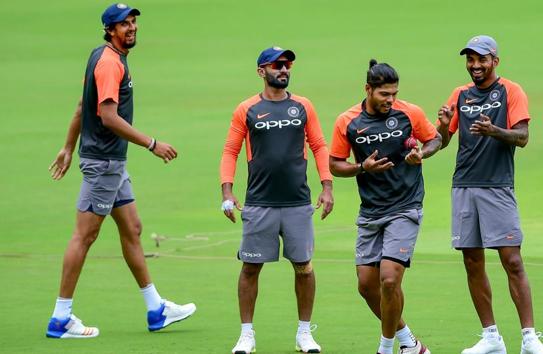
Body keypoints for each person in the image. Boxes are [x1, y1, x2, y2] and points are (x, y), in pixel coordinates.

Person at [46, 3, 196, 339]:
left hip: (111, 163)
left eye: (133, 22)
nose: (131, 28)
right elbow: (107, 117)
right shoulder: (110, 64)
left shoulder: (103, 56)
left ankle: (156, 309)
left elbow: (80, 106)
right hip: (104, 164)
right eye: (123, 24)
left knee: (133, 228)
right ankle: (60, 318)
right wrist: (152, 143)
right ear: (110, 30)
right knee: (84, 236)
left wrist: (68, 147)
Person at [436, 35, 543, 354]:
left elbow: (523, 137)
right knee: (472, 261)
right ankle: (491, 338)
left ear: (495, 61)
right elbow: (441, 140)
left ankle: (529, 338)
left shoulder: (510, 91)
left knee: (512, 260)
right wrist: (433, 138)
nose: (475, 65)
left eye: (481, 59)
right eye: (470, 59)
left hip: (497, 186)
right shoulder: (459, 94)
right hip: (463, 185)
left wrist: (494, 131)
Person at [220, 46, 334, 354]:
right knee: (251, 268)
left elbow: (320, 146)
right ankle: (246, 335)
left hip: (298, 202)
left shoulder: (303, 106)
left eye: (287, 65)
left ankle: (304, 333)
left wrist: (327, 187)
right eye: (277, 65)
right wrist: (227, 190)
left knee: (304, 268)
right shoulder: (247, 109)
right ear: (262, 71)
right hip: (259, 203)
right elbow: (231, 150)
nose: (284, 69)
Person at [329, 59, 441, 354]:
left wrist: (422, 153)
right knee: (367, 285)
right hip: (371, 211)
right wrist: (361, 167)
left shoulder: (409, 112)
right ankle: (410, 343)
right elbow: (335, 164)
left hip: (406, 205)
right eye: (384, 94)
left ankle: (385, 347)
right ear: (368, 89)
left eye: (394, 94)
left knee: (389, 279)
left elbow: (435, 139)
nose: (390, 100)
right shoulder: (348, 121)